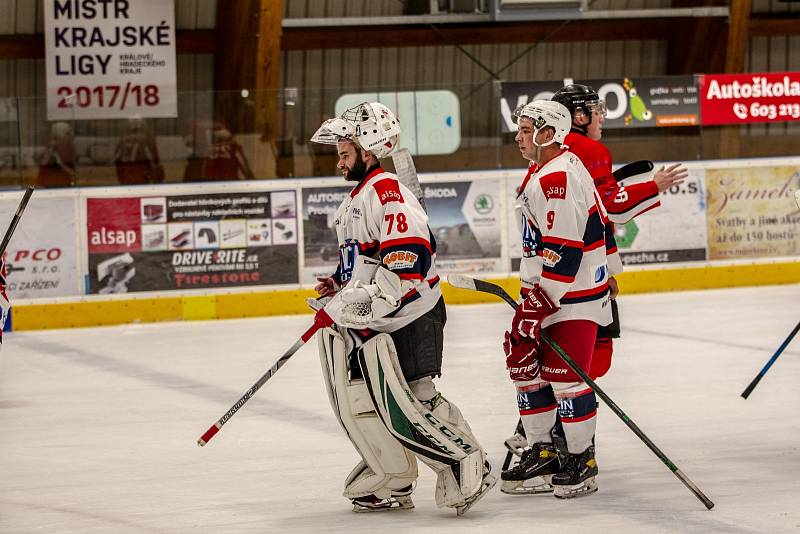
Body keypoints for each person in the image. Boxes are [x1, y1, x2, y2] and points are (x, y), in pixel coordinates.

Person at [308, 102, 496, 515]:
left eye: (345, 154)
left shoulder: (387, 193)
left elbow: (407, 260)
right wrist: (340, 284)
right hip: (383, 318)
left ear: (369, 151)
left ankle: (469, 465)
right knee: (380, 400)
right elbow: (368, 262)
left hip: (412, 315)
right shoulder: (359, 199)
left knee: (417, 396)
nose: (338, 163)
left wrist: (372, 301)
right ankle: (395, 477)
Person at [500, 100, 611, 499]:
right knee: (527, 370)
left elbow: (564, 249)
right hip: (553, 294)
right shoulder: (546, 169)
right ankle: (544, 451)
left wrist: (540, 301)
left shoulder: (557, 176)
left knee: (565, 381)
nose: (518, 137)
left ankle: (581, 460)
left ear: (549, 134)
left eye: (527, 130)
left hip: (571, 296)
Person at [114, 118, 164, 185]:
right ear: (142, 125)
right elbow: (152, 159)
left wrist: (120, 176)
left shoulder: (122, 139)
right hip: (141, 175)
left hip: (126, 176)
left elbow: (117, 158)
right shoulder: (146, 139)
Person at [36, 122, 77, 188]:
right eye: (56, 139)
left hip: (63, 185)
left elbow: (73, 173)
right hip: (47, 186)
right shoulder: (49, 149)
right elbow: (41, 167)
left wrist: (60, 163)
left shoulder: (68, 149)